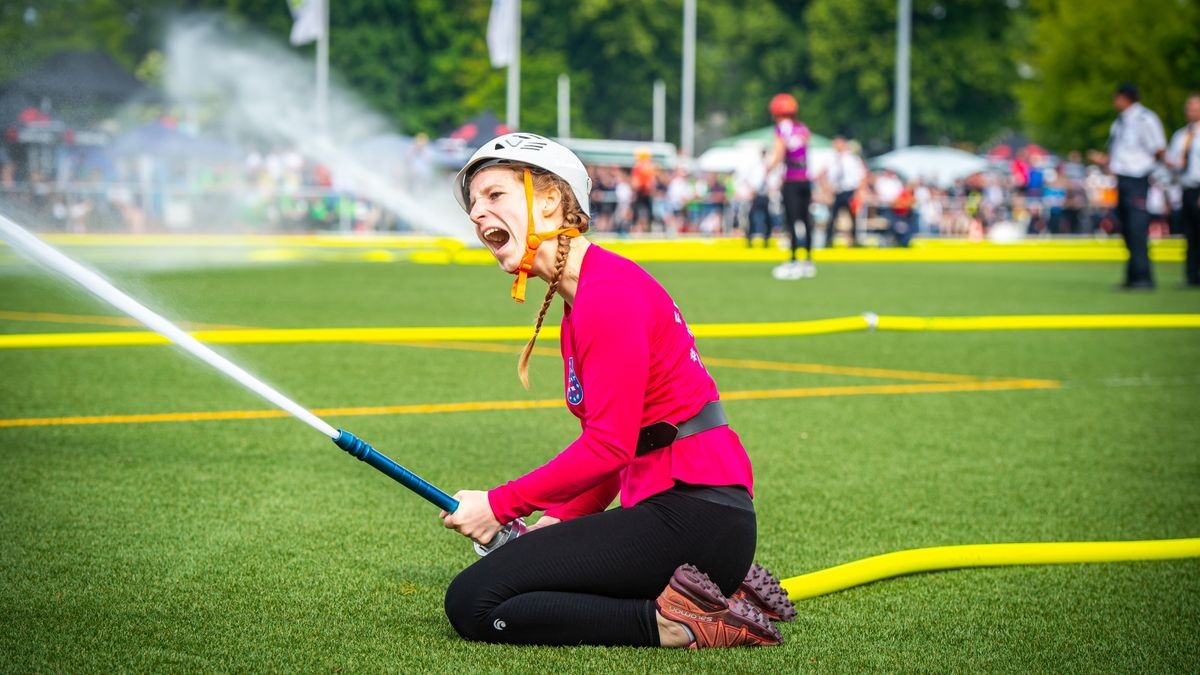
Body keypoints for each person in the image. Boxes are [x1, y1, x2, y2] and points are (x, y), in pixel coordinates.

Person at [440, 133, 791, 648]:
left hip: (693, 516)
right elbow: (617, 452)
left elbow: (608, 446)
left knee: (474, 603)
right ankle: (709, 594)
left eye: (495, 195)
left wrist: (500, 505)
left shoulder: (607, 295)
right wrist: (559, 522)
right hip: (692, 515)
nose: (477, 213)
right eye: (474, 204)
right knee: (515, 579)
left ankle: (678, 622)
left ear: (551, 201)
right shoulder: (582, 300)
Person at [1088, 83, 1167, 290]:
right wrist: (1104, 161)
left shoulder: (1145, 119)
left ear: (1125, 97)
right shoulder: (1120, 122)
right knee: (1126, 229)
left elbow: (1158, 149)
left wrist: (1150, 172)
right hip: (1122, 179)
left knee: (1137, 228)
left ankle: (1143, 277)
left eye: (1117, 98)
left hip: (1137, 179)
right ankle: (1133, 276)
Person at [764, 93, 814, 280]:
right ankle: (808, 260)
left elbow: (778, 154)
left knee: (792, 220)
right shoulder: (802, 128)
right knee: (806, 219)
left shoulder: (780, 130)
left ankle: (793, 259)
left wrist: (766, 170)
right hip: (805, 179)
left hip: (791, 180)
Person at [1165, 92, 1200, 287]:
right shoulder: (1180, 136)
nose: (1191, 111)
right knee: (1190, 235)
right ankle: (1191, 276)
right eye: (1189, 107)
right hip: (1186, 189)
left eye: (1195, 107)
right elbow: (1172, 165)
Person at [821, 135, 866, 247]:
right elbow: (822, 174)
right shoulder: (831, 158)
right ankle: (828, 240)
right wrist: (826, 190)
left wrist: (858, 192)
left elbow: (861, 176)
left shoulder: (852, 159)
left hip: (849, 191)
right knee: (832, 217)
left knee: (853, 217)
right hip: (836, 191)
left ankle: (854, 239)